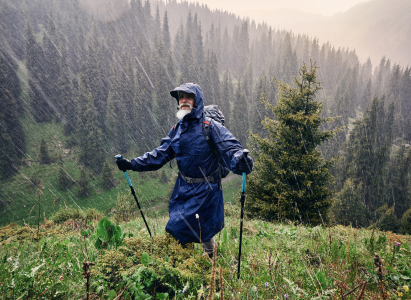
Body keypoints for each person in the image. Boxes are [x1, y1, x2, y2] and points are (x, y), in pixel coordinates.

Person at [116, 82, 253, 257]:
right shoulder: (177, 130)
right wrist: (132, 164)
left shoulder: (210, 126)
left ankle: (209, 264)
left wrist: (240, 160)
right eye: (181, 97)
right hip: (183, 189)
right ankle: (185, 263)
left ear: (197, 100)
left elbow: (231, 148)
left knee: (204, 230)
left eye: (188, 97)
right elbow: (159, 155)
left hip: (207, 189)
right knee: (178, 229)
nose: (184, 100)